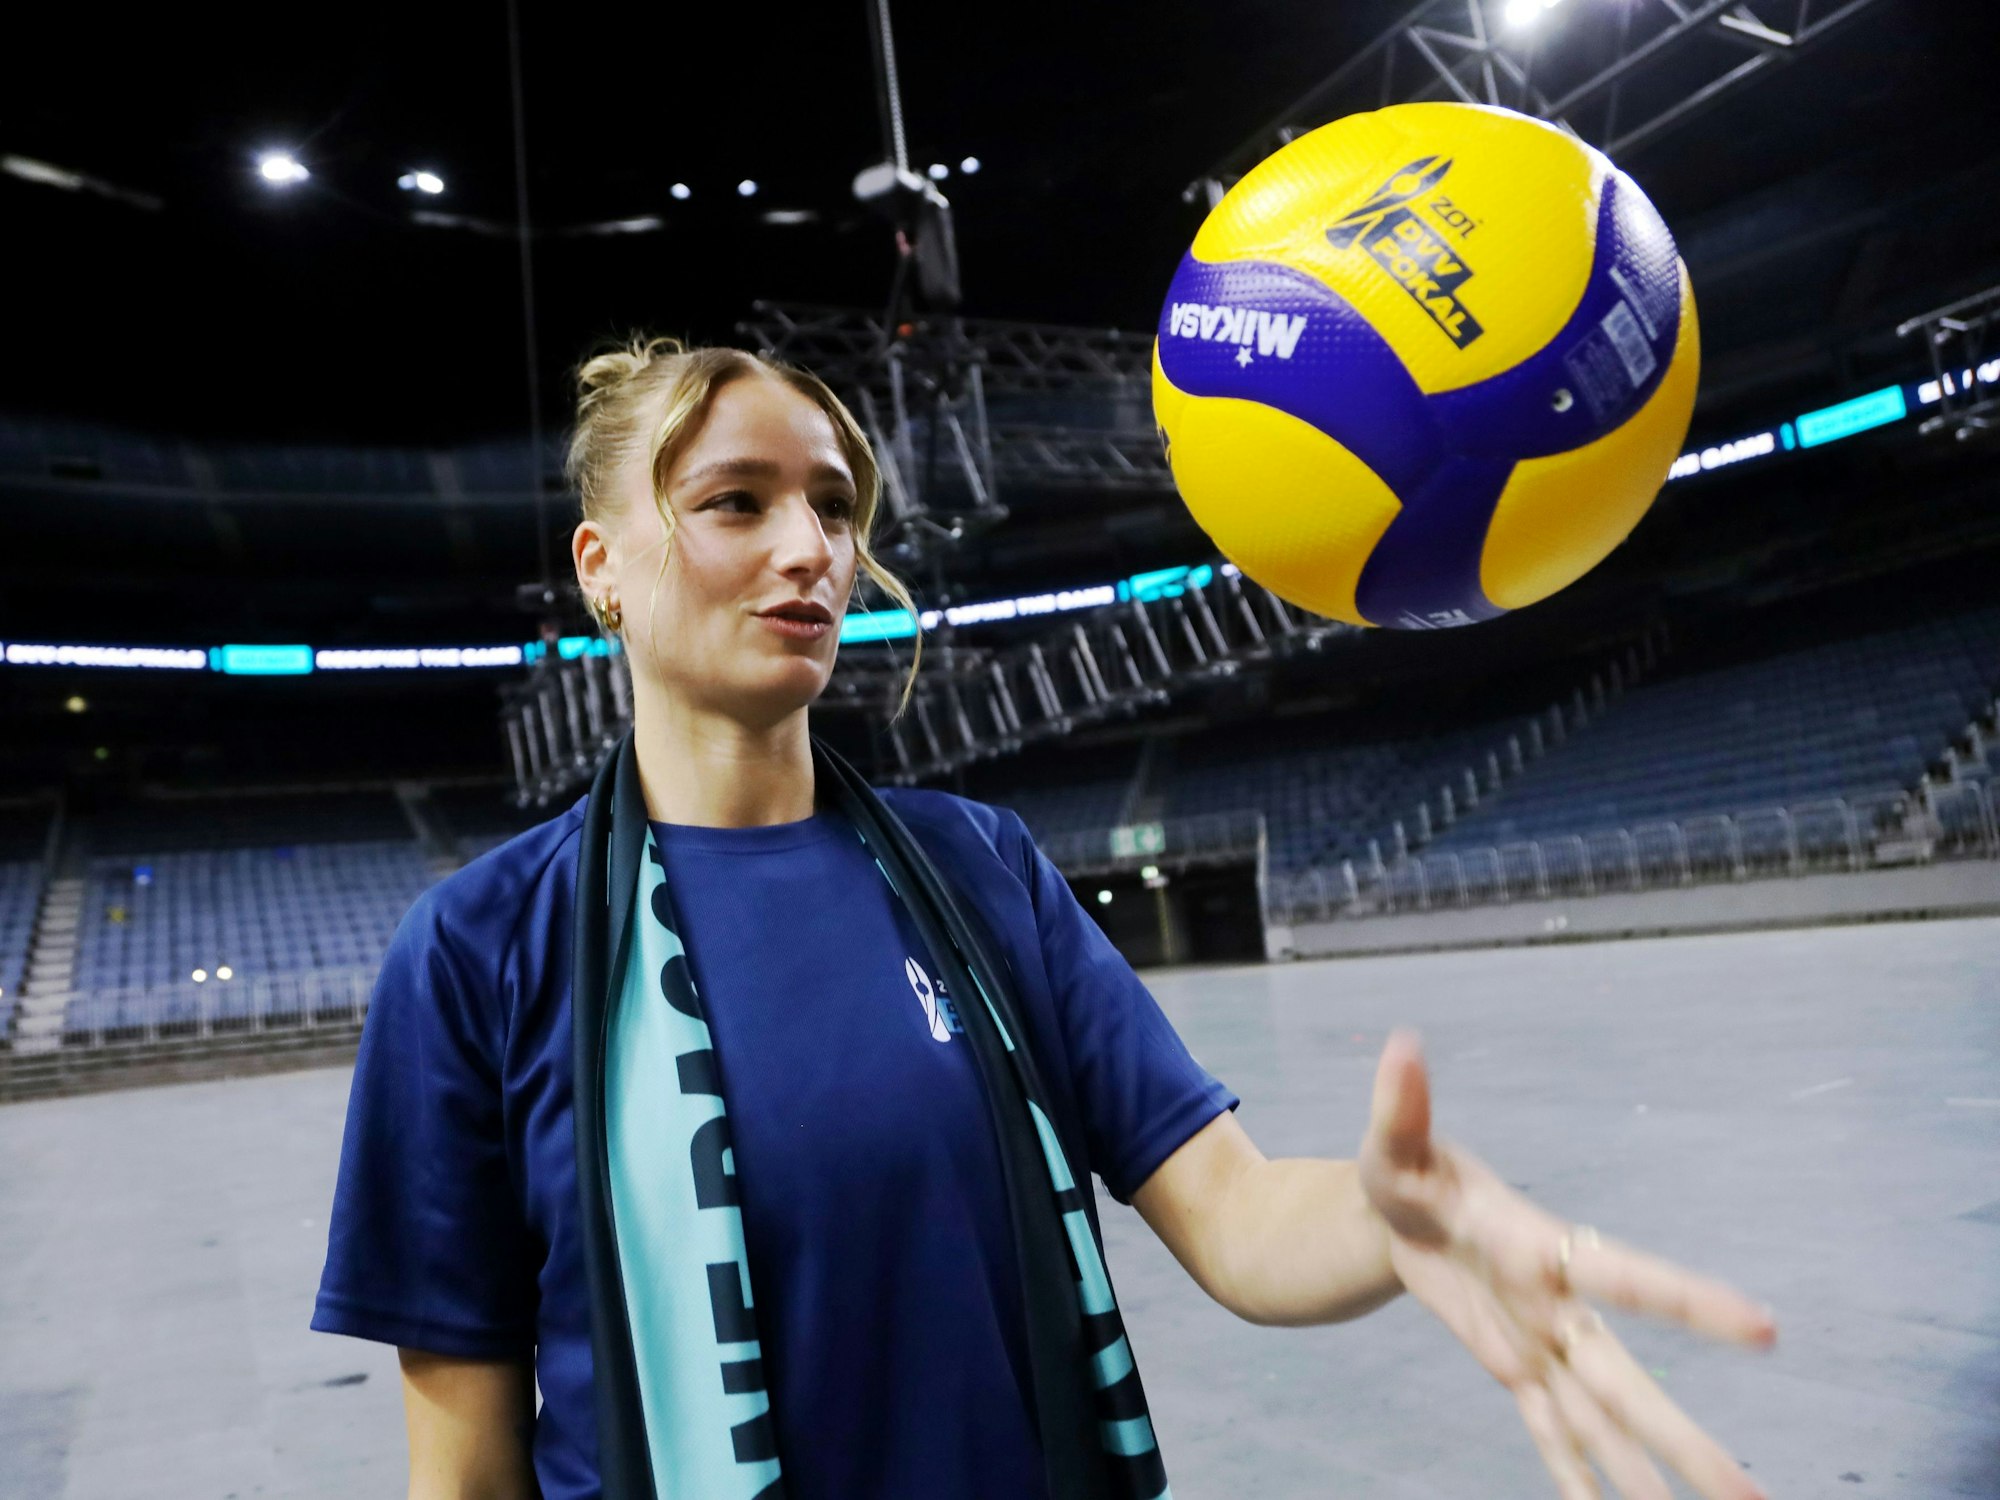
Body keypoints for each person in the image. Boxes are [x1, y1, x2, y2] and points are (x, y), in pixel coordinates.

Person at [312, 336, 1777, 1500]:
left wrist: (1396, 1224)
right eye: (735, 501)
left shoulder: (978, 870)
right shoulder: (482, 949)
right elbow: (469, 1470)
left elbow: (1240, 1217)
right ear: (602, 569)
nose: (810, 546)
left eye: (834, 503)